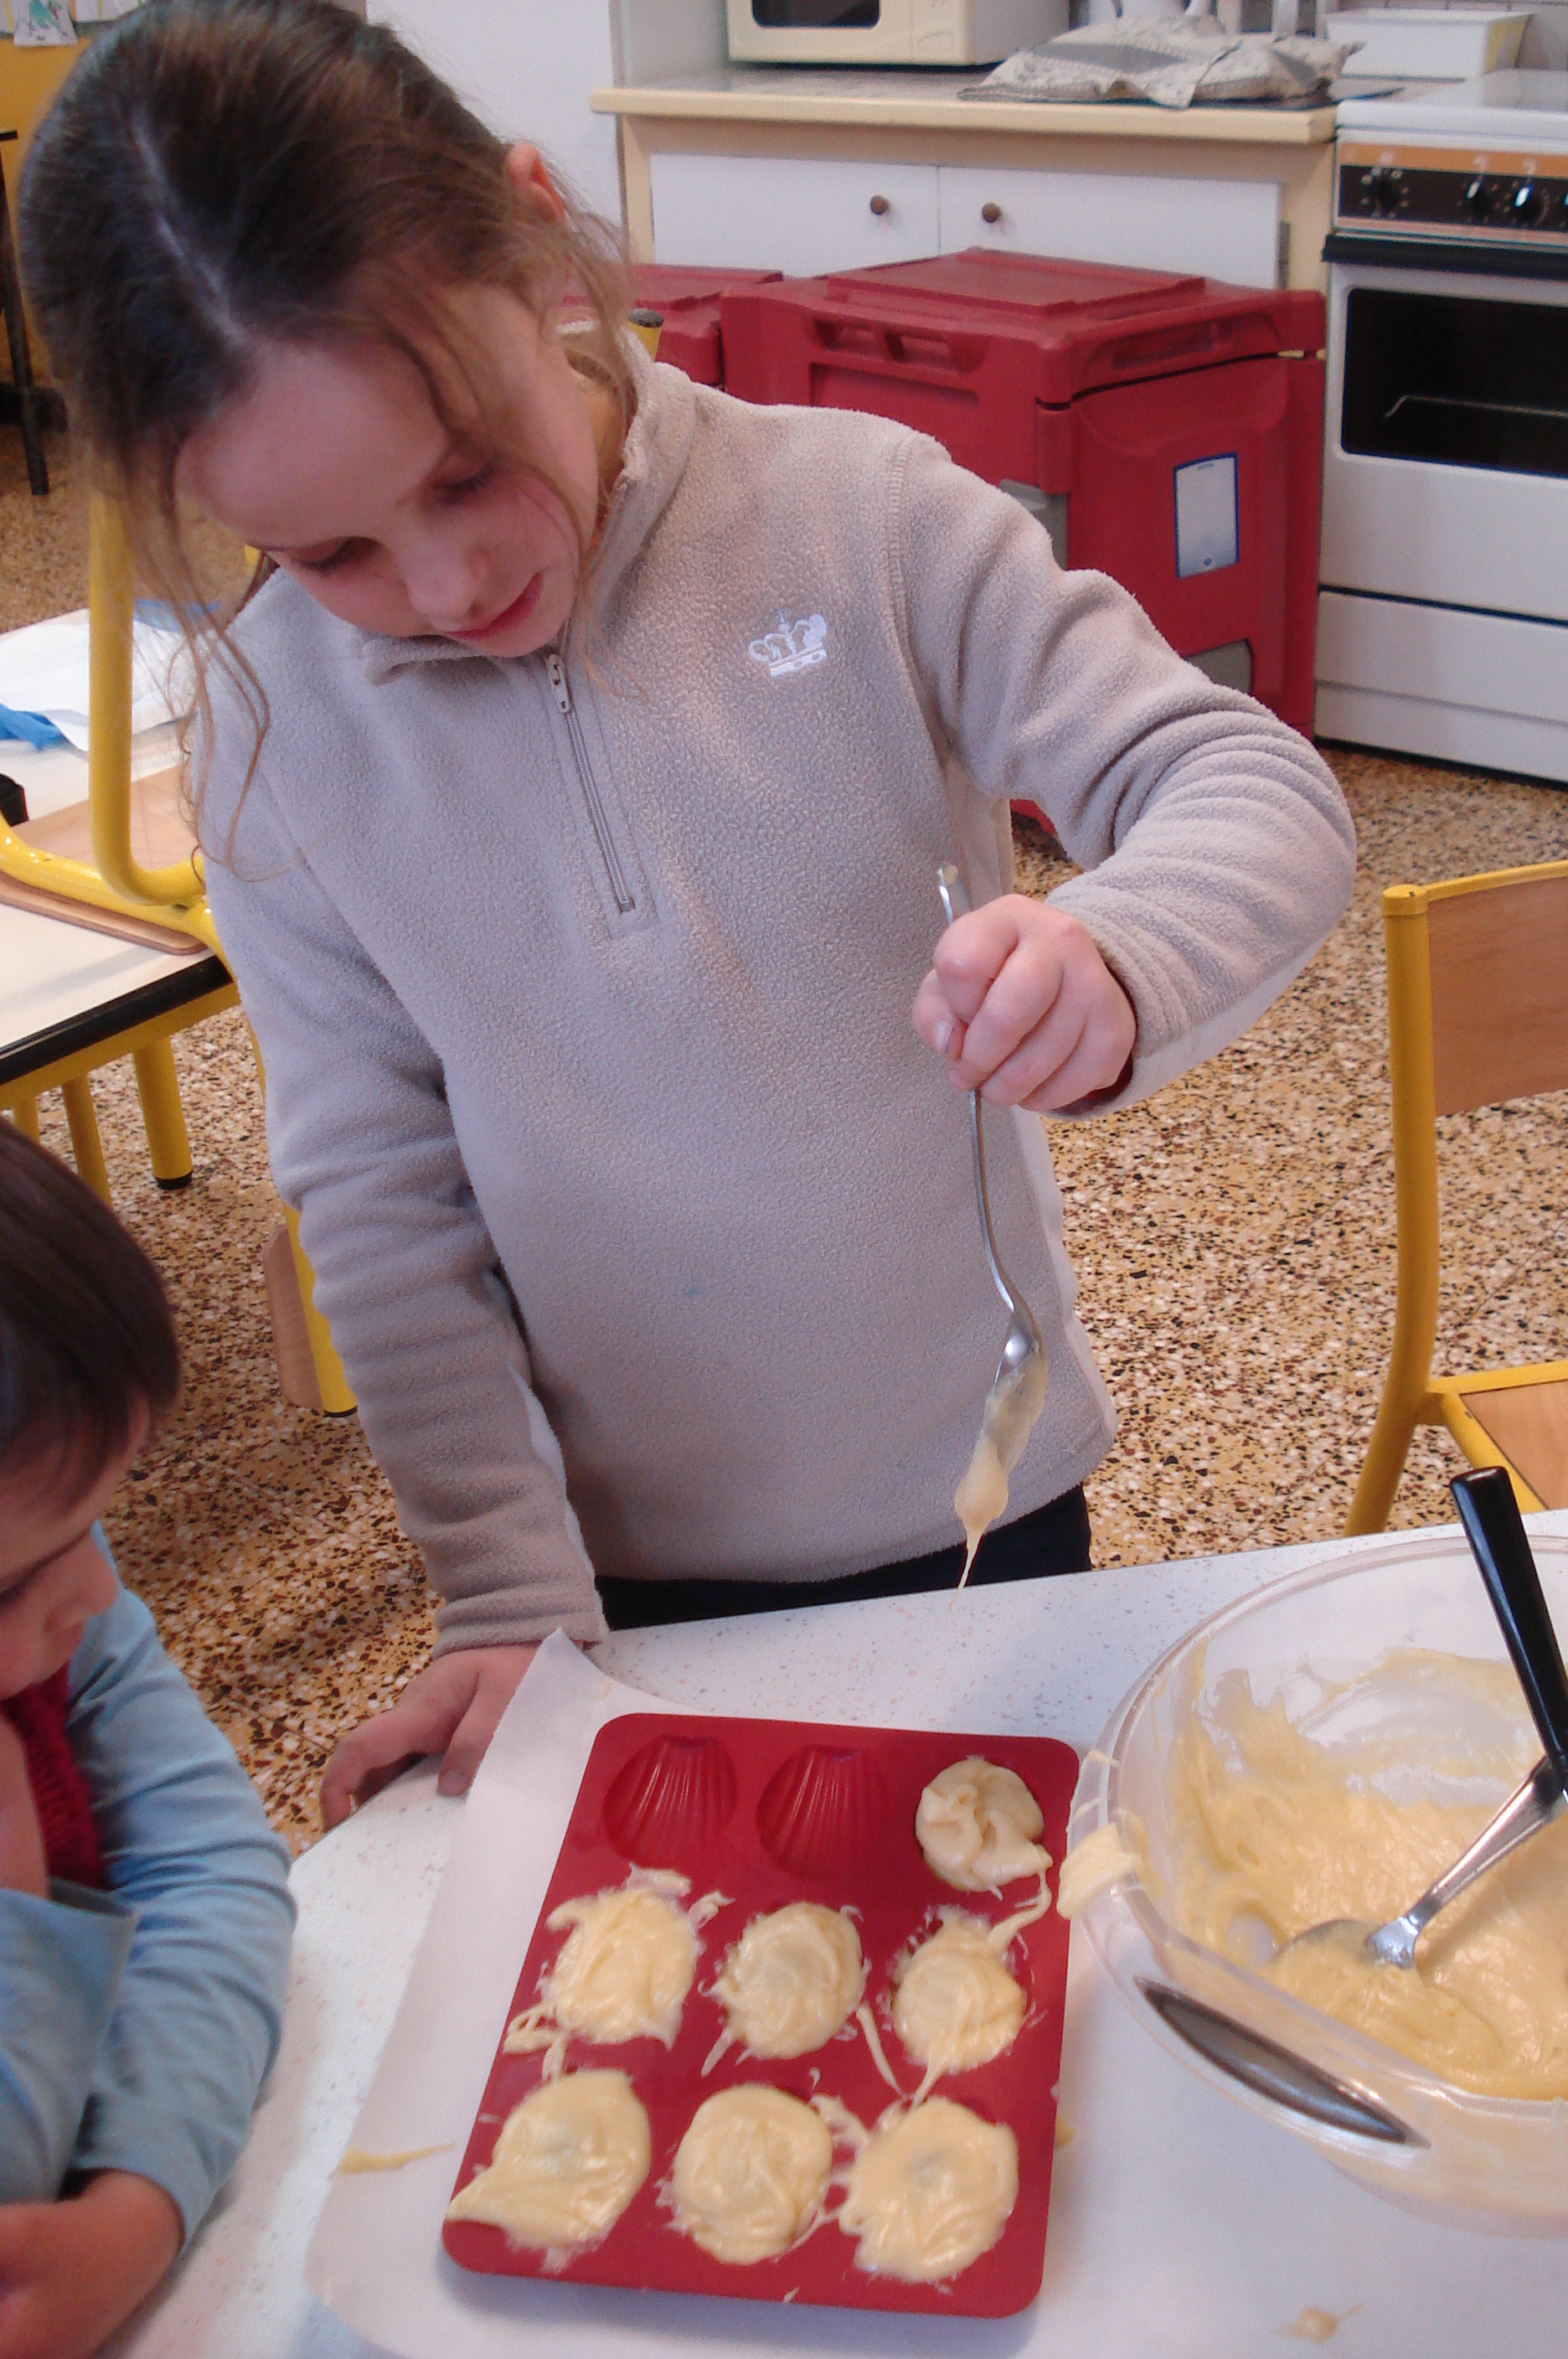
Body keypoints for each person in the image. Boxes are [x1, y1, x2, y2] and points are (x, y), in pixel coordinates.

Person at [19, 1, 1354, 1831]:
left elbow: (1255, 789)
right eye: (329, 556)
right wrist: (499, 1586)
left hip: (977, 1496)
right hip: (611, 1575)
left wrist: (1121, 955)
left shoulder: (864, 519)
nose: (444, 582)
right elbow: (385, 1201)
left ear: (531, 239)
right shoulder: (273, 740)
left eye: (468, 464)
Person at [0, 1128, 294, 2359]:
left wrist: (142, 2198)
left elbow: (217, 1868)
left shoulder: (68, 1610)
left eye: (97, 1526)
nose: (97, 1601)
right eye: (15, 1580)